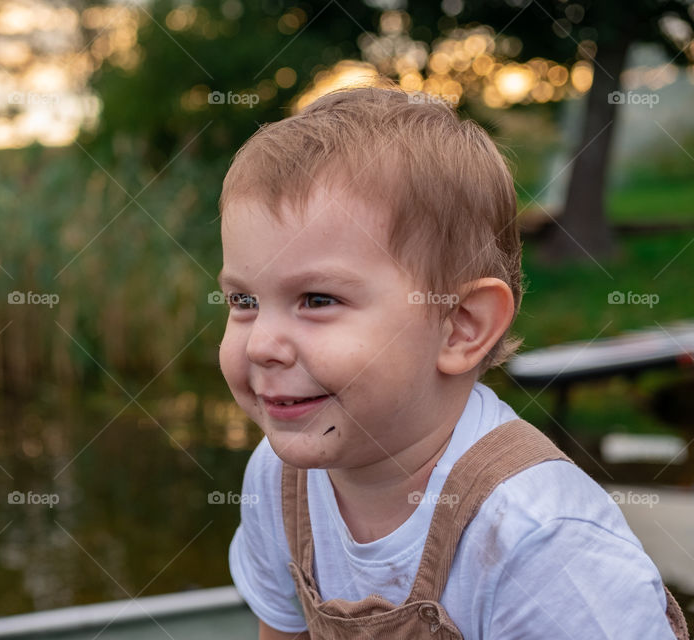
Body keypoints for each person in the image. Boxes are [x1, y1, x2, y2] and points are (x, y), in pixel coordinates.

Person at [216, 84, 689, 639]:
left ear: (461, 326)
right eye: (243, 301)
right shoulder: (279, 479)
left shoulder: (541, 542)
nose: (261, 344)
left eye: (318, 300)